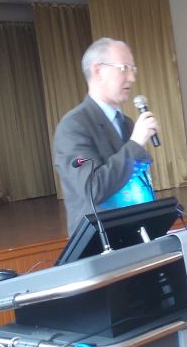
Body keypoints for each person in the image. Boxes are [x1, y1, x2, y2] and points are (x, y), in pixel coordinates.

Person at [53, 37, 160, 236]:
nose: (132, 78)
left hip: (138, 232)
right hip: (101, 239)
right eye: (124, 68)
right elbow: (93, 188)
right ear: (98, 70)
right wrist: (136, 143)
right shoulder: (73, 126)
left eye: (133, 69)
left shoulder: (127, 123)